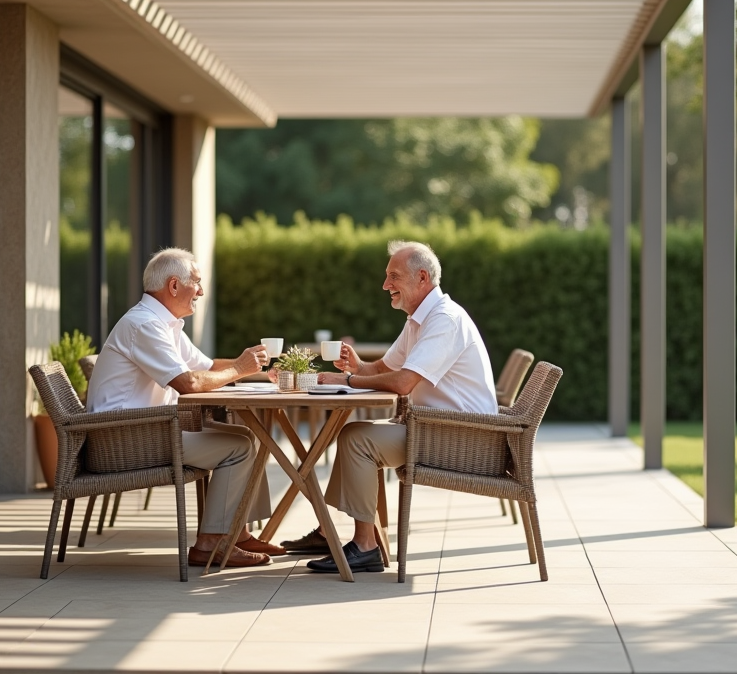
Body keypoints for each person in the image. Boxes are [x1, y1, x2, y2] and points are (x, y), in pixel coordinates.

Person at [281, 240, 497, 573]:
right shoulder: (419, 319)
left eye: (393, 276)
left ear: (422, 278)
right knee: (354, 433)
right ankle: (329, 532)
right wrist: (356, 366)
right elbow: (383, 368)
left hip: (465, 438)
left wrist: (348, 382)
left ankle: (365, 547)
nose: (385, 285)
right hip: (439, 428)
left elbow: (403, 383)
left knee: (358, 439)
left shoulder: (444, 320)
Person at [87, 247, 284, 567]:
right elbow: (188, 383)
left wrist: (257, 370)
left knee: (249, 434)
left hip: (145, 428)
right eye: (197, 282)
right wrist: (239, 370)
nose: (202, 291)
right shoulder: (145, 325)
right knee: (239, 446)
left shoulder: (164, 323)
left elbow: (204, 366)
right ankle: (209, 545)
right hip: (123, 439)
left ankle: (237, 533)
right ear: (174, 286)